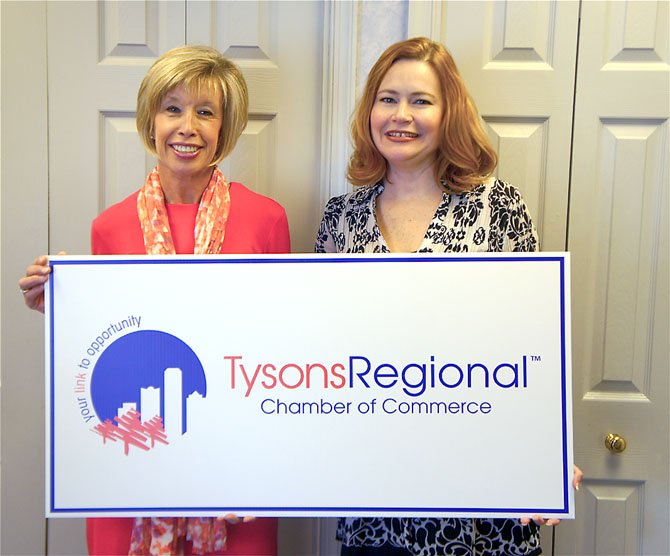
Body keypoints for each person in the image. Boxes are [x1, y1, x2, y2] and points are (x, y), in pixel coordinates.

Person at [315, 37, 583, 556]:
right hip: (379, 504)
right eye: (387, 98)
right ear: (370, 109)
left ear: (449, 112)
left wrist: (545, 453)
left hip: (481, 502)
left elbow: (531, 342)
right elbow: (323, 354)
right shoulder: (340, 217)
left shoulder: (496, 206)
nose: (401, 115)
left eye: (421, 101)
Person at [19, 45, 288, 556]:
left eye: (205, 111)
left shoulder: (267, 219)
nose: (188, 126)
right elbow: (109, 340)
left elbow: (281, 335)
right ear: (151, 120)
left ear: (224, 128)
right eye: (173, 108)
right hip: (132, 467)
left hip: (235, 473)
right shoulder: (110, 226)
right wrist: (63, 310)